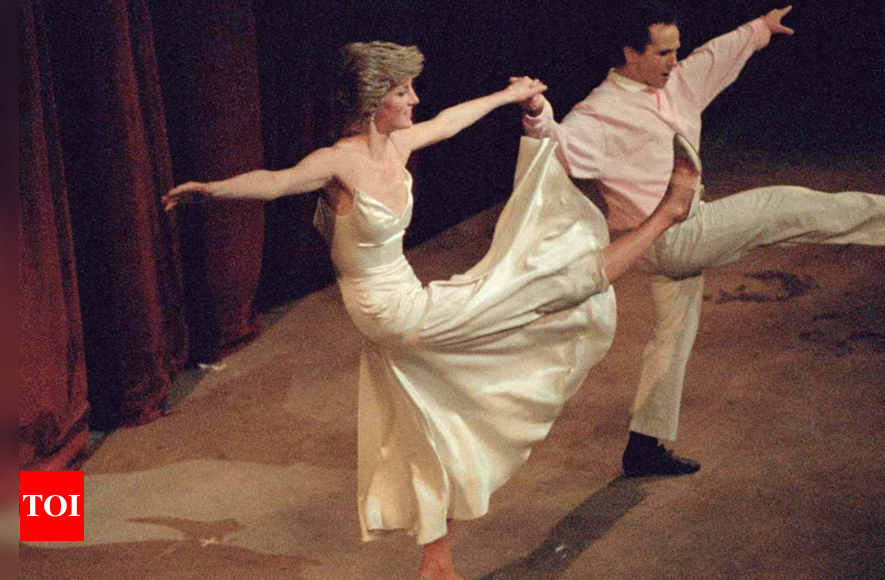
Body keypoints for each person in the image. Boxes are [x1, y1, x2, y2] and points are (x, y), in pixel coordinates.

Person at [163, 41, 700, 580]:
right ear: (375, 99)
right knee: (546, 280)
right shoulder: (338, 161)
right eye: (402, 92)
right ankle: (667, 214)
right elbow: (274, 182)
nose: (414, 100)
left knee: (427, 429)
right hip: (394, 313)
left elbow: (449, 122)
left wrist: (508, 96)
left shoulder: (397, 144)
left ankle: (436, 564)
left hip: (406, 305)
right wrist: (211, 191)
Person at [519, 3, 885, 477]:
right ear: (631, 53)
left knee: (673, 337)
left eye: (676, 50)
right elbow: (559, 146)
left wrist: (760, 28)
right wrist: (537, 113)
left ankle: (644, 446)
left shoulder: (678, 82)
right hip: (668, 237)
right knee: (778, 206)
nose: (673, 61)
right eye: (662, 53)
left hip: (673, 234)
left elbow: (717, 54)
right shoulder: (601, 111)